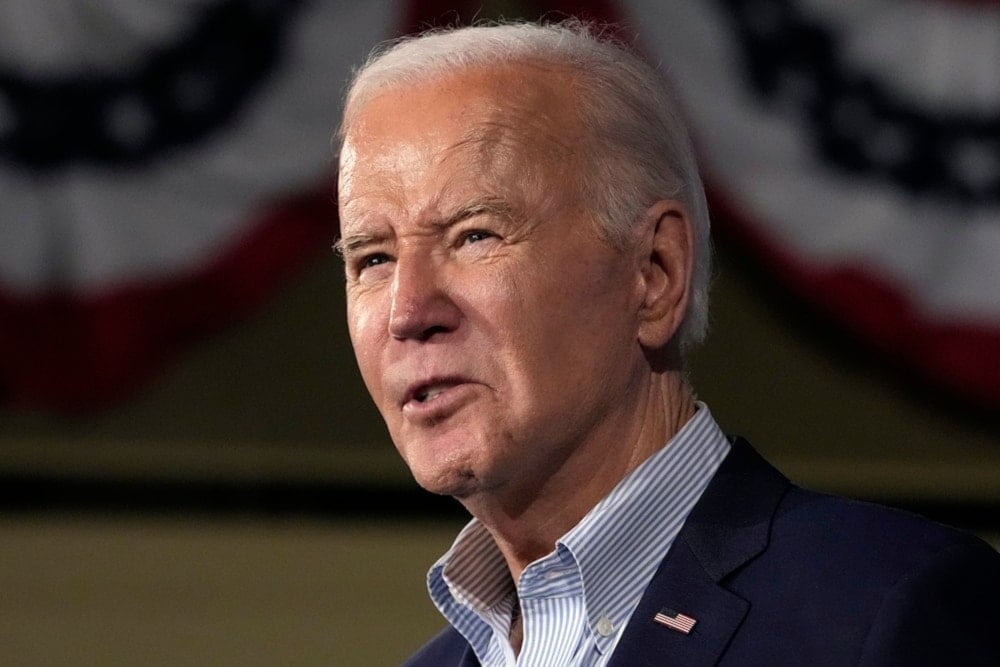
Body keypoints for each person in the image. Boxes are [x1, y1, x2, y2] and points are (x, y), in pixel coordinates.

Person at [334, 20, 1000, 666]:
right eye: (372, 258)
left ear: (655, 272)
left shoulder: (881, 609)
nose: (407, 311)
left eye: (474, 235)